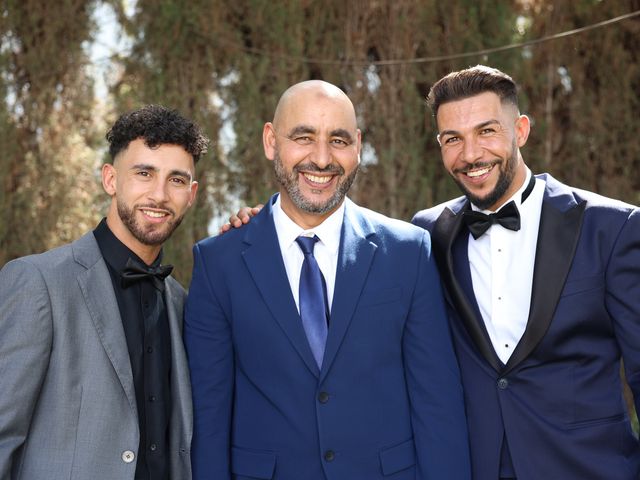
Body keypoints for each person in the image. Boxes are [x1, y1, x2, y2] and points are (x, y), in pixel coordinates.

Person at [184, 80, 470, 480]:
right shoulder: (219, 263)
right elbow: (210, 421)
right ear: (271, 140)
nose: (321, 159)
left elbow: (437, 404)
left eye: (337, 140)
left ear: (357, 146)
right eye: (303, 137)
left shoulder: (408, 251)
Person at [411, 65, 640, 479]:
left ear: (520, 130)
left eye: (486, 131)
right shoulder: (425, 235)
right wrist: (264, 226)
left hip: (588, 467)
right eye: (452, 139)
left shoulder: (613, 228)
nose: (471, 154)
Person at [0, 104, 208, 480]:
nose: (160, 195)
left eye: (176, 180)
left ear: (191, 194)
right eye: (144, 173)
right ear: (111, 179)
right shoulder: (38, 282)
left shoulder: (183, 304)